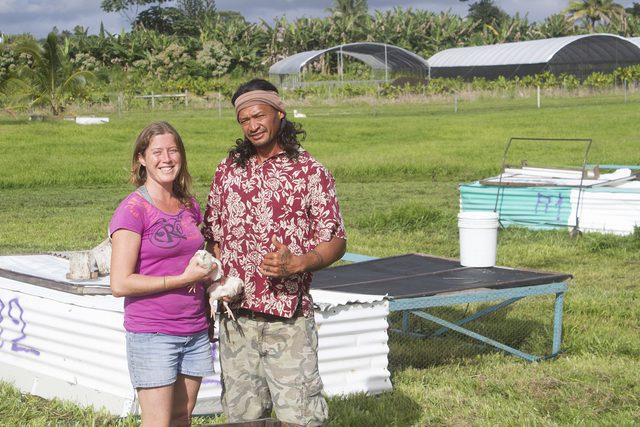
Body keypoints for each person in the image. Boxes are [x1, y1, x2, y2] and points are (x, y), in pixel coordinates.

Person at [203, 79, 347, 427]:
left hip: (290, 318)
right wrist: (220, 279)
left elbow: (336, 239)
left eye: (258, 115)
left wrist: (300, 262)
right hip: (237, 318)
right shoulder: (228, 172)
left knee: (299, 416)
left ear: (279, 114)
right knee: (242, 417)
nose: (252, 126)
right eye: (244, 120)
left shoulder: (310, 172)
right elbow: (213, 235)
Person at [109, 121, 217, 427]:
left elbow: (193, 256)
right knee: (158, 423)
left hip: (194, 329)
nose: (166, 158)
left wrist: (210, 276)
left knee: (182, 417)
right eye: (157, 152)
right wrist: (183, 279)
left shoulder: (188, 204)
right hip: (153, 333)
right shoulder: (133, 210)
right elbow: (120, 283)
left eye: (173, 150)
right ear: (142, 159)